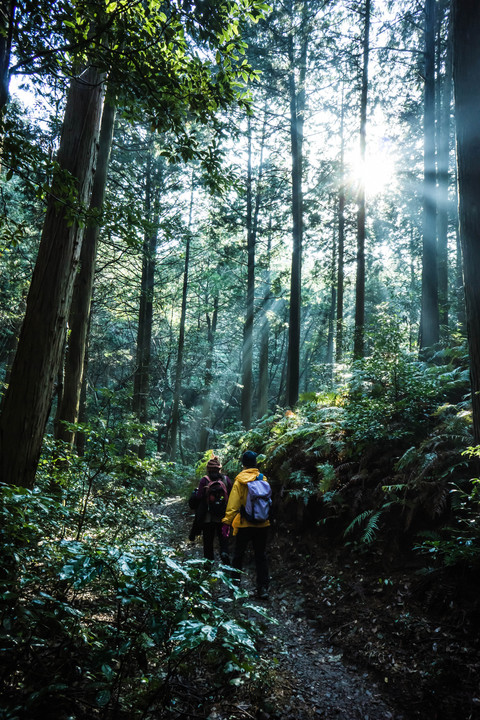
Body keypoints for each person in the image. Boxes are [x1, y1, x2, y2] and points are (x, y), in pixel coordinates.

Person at [221, 450, 270, 600]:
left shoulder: (240, 481)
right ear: (256, 463)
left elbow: (233, 505)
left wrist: (227, 522)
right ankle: (263, 589)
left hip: (244, 525)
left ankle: (235, 586)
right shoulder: (263, 478)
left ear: (243, 464)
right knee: (260, 556)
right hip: (262, 524)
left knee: (238, 556)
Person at [190, 456, 232, 565]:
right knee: (223, 539)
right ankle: (224, 554)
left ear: (208, 469)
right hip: (223, 516)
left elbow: (199, 497)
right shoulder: (226, 480)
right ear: (219, 469)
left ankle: (208, 567)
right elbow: (231, 496)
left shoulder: (204, 480)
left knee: (208, 543)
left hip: (207, 518)